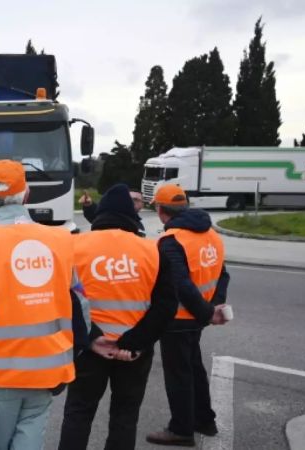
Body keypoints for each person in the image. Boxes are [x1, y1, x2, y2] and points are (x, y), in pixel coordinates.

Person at [0, 160, 92, 450]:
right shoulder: (60, 241)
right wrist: (70, 356)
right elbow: (80, 309)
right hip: (47, 375)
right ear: (27, 196)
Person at [58, 183, 179, 450]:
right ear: (131, 217)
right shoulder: (152, 250)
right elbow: (167, 305)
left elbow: (62, 299)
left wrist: (92, 339)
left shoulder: (74, 246)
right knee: (125, 416)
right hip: (134, 353)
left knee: (78, 413)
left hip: (88, 351)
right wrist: (134, 343)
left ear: (100, 215)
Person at [145, 184, 231, 447]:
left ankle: (181, 429)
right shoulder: (210, 234)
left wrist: (206, 313)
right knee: (193, 368)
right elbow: (223, 275)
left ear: (161, 211)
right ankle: (205, 420)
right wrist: (214, 307)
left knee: (179, 374)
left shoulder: (170, 241)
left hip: (179, 319)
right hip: (197, 317)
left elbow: (179, 284)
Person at [80, 189, 146, 235]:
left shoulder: (138, 227)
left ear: (142, 204)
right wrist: (89, 206)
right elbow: (98, 217)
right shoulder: (114, 217)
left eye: (136, 200)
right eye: (128, 198)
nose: (131, 202)